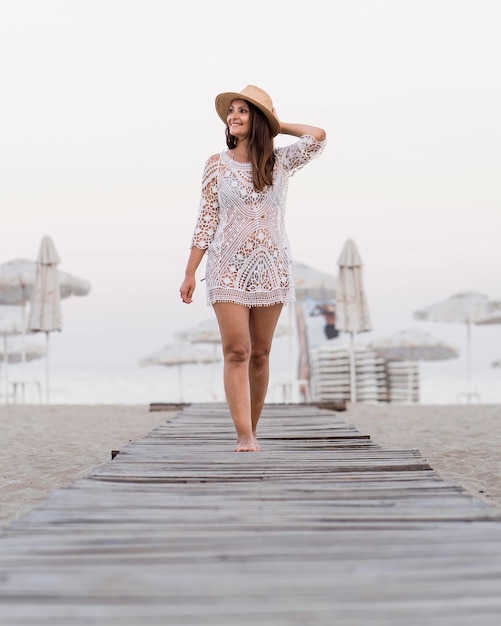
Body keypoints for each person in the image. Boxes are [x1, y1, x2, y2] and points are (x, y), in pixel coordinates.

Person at [180, 85, 326, 452]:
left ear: (258, 119)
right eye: (232, 111)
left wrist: (276, 124)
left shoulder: (280, 162)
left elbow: (318, 137)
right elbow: (206, 220)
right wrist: (189, 272)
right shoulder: (216, 165)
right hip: (226, 267)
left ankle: (253, 430)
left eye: (243, 111)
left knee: (260, 354)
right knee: (237, 350)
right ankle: (244, 435)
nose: (233, 116)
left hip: (272, 267)